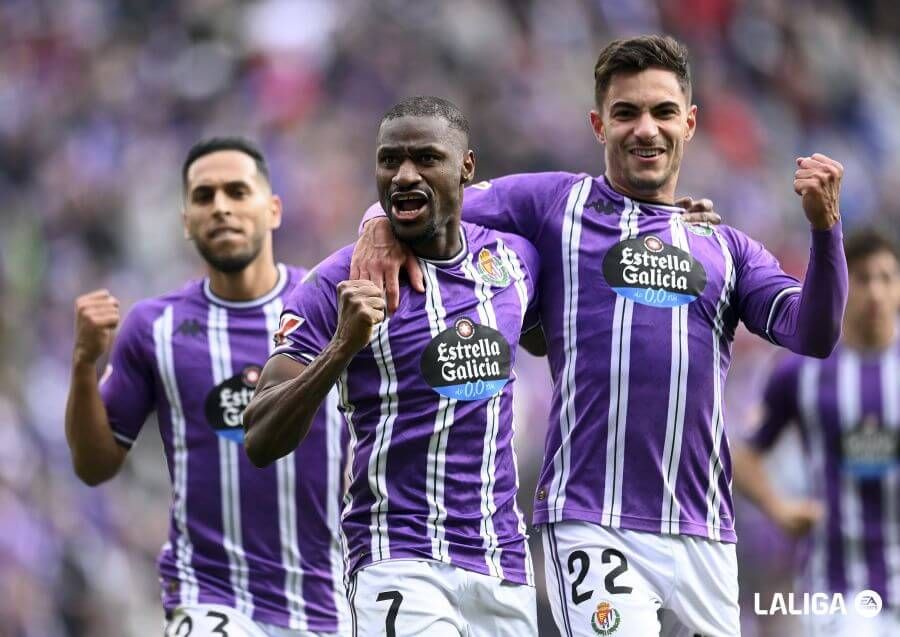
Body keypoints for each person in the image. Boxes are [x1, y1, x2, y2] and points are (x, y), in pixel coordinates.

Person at [351, 36, 848, 636]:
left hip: (704, 529)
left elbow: (813, 332)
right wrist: (378, 224)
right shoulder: (556, 204)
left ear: (689, 123)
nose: (646, 129)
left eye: (663, 112)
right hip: (591, 518)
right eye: (626, 113)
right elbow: (431, 201)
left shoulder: (727, 246)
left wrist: (825, 232)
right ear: (598, 124)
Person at [243, 97, 543, 636]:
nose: (404, 175)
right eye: (389, 161)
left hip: (504, 565)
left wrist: (676, 221)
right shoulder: (334, 285)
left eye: (426, 158)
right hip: (397, 557)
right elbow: (260, 437)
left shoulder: (516, 261)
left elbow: (557, 327)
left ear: (465, 169)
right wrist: (341, 347)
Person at [64, 138, 349, 637]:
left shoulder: (329, 309)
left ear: (274, 209)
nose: (221, 207)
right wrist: (85, 363)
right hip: (209, 598)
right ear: (185, 221)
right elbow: (94, 465)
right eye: (204, 196)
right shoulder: (154, 326)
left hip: (329, 601)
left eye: (238, 192)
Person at [734, 229, 900, 636]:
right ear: (845, 285)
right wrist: (779, 508)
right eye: (863, 278)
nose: (876, 292)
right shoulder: (801, 371)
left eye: (886, 278)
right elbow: (744, 456)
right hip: (839, 590)